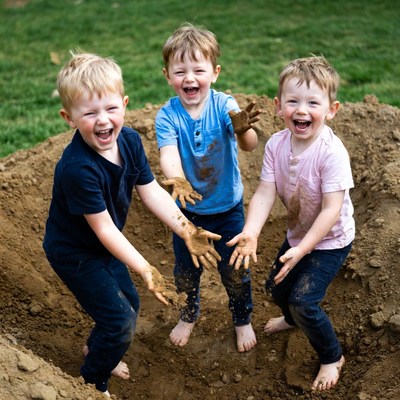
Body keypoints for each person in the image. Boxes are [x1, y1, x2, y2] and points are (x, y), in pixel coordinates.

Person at [43, 52, 222, 397]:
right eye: (89, 113)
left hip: (104, 245)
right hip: (75, 253)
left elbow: (151, 190)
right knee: (120, 321)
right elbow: (105, 229)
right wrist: (145, 268)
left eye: (110, 109)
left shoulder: (129, 142)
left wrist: (186, 229)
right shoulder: (78, 168)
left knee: (130, 305)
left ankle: (97, 350)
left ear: (124, 104)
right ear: (68, 117)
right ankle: (93, 381)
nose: (103, 120)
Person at [228, 56, 355, 390]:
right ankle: (291, 319)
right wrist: (251, 232)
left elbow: (331, 211)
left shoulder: (332, 153)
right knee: (276, 288)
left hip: (330, 240)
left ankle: (332, 356)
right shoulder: (276, 145)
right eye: (293, 101)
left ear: (331, 110)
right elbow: (266, 193)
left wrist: (301, 252)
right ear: (278, 106)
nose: (302, 110)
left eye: (313, 102)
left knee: (304, 300)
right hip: (298, 234)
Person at [155, 23, 261, 353]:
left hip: (228, 208)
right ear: (167, 75)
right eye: (180, 71)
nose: (189, 78)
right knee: (186, 272)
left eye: (198, 70)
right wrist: (178, 180)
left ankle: (242, 319)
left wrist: (243, 131)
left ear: (214, 72)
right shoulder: (167, 117)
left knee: (235, 271)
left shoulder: (224, 104)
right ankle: (188, 314)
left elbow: (249, 146)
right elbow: (168, 156)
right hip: (188, 214)